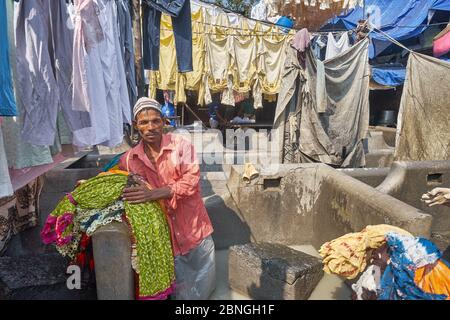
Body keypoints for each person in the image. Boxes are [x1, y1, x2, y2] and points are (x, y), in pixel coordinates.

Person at [120, 97, 216, 300]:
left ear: (164, 122)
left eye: (156, 121)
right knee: (181, 294)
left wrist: (153, 193)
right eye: (144, 122)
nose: (151, 127)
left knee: (205, 286)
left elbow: (191, 181)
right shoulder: (129, 160)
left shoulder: (182, 146)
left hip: (193, 229)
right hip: (165, 238)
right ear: (136, 125)